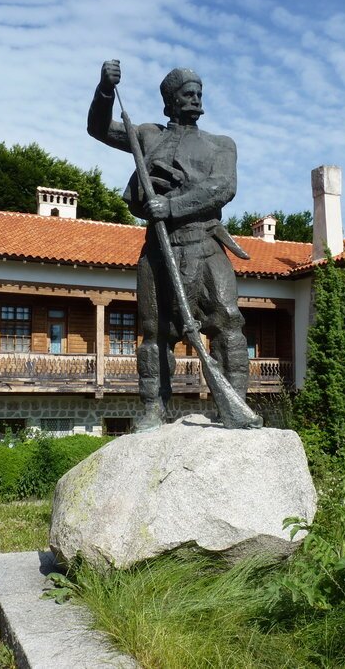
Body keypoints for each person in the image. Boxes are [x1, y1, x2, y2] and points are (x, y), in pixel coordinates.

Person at [87, 60, 252, 432]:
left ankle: (235, 404)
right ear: (170, 101)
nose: (194, 99)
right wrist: (105, 91)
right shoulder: (149, 135)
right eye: (186, 94)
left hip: (205, 245)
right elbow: (99, 128)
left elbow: (223, 187)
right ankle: (154, 409)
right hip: (160, 250)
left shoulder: (221, 144)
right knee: (155, 331)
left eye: (198, 93)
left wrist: (172, 206)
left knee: (228, 323)